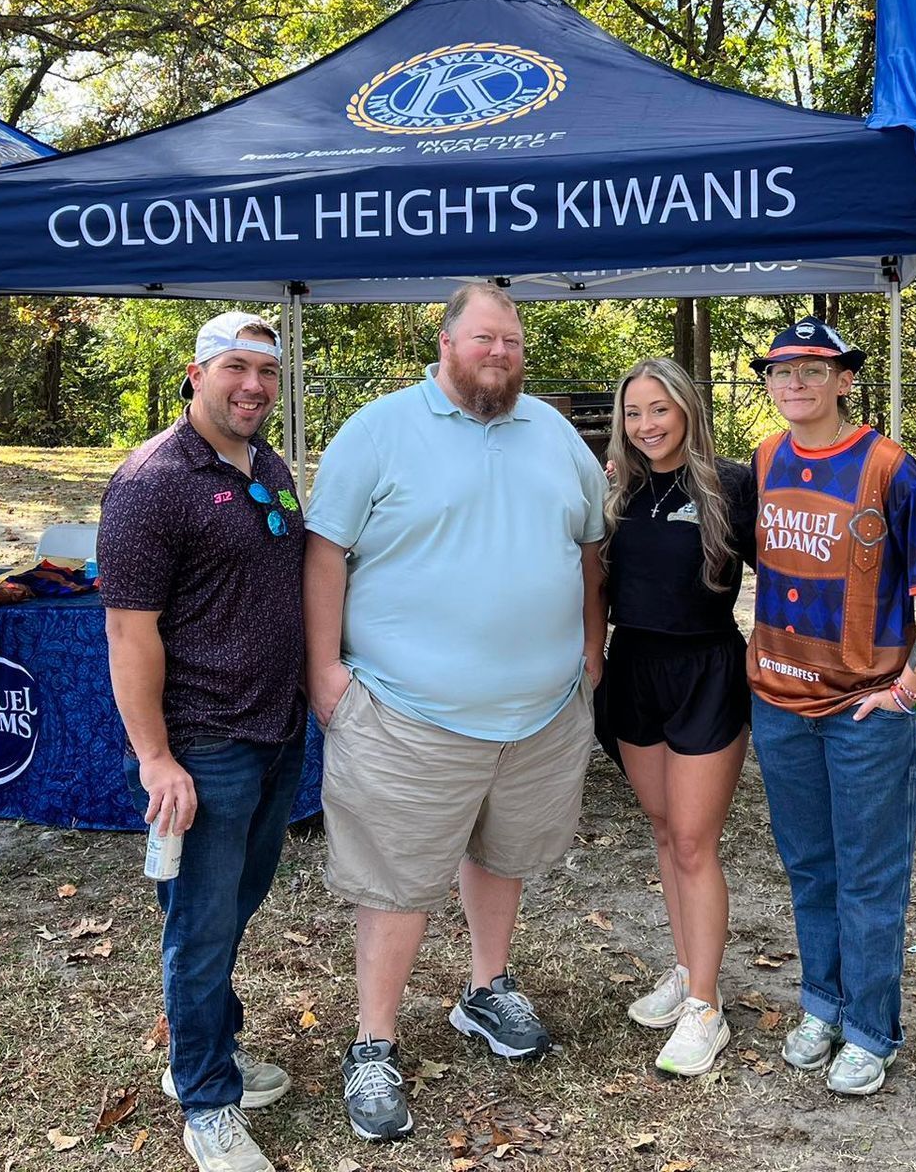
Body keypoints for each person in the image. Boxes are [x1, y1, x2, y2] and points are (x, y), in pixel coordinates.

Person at [303, 284, 607, 1142]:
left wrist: (590, 651)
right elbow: (325, 552)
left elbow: (589, 550)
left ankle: (486, 990)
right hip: (406, 711)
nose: (500, 355)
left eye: (512, 342)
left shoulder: (552, 432)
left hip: (540, 712)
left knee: (503, 855)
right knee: (398, 885)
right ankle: (373, 1044)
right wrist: (324, 671)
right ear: (445, 342)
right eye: (484, 339)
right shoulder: (379, 429)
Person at [98, 310, 307, 1172]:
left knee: (232, 908)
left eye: (266, 370)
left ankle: (210, 1049)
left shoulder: (269, 465)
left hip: (277, 731)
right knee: (202, 924)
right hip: (204, 745)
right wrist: (157, 759)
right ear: (195, 372)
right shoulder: (152, 480)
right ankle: (206, 1102)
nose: (253, 385)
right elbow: (127, 632)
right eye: (235, 367)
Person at [745, 317, 916, 1097]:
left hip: (863, 714)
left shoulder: (888, 468)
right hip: (778, 702)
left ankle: (872, 1029)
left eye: (813, 370)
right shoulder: (767, 458)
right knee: (810, 867)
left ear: (845, 380)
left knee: (870, 877)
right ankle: (822, 1004)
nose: (795, 383)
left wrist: (906, 689)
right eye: (780, 372)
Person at [599, 357, 757, 1077]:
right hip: (634, 669)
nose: (647, 425)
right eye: (634, 413)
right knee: (665, 833)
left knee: (695, 842)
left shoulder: (731, 485)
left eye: (659, 409)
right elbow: (592, 583)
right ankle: (690, 966)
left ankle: (705, 1007)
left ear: (688, 409)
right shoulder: (614, 491)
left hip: (707, 670)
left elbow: (785, 576)